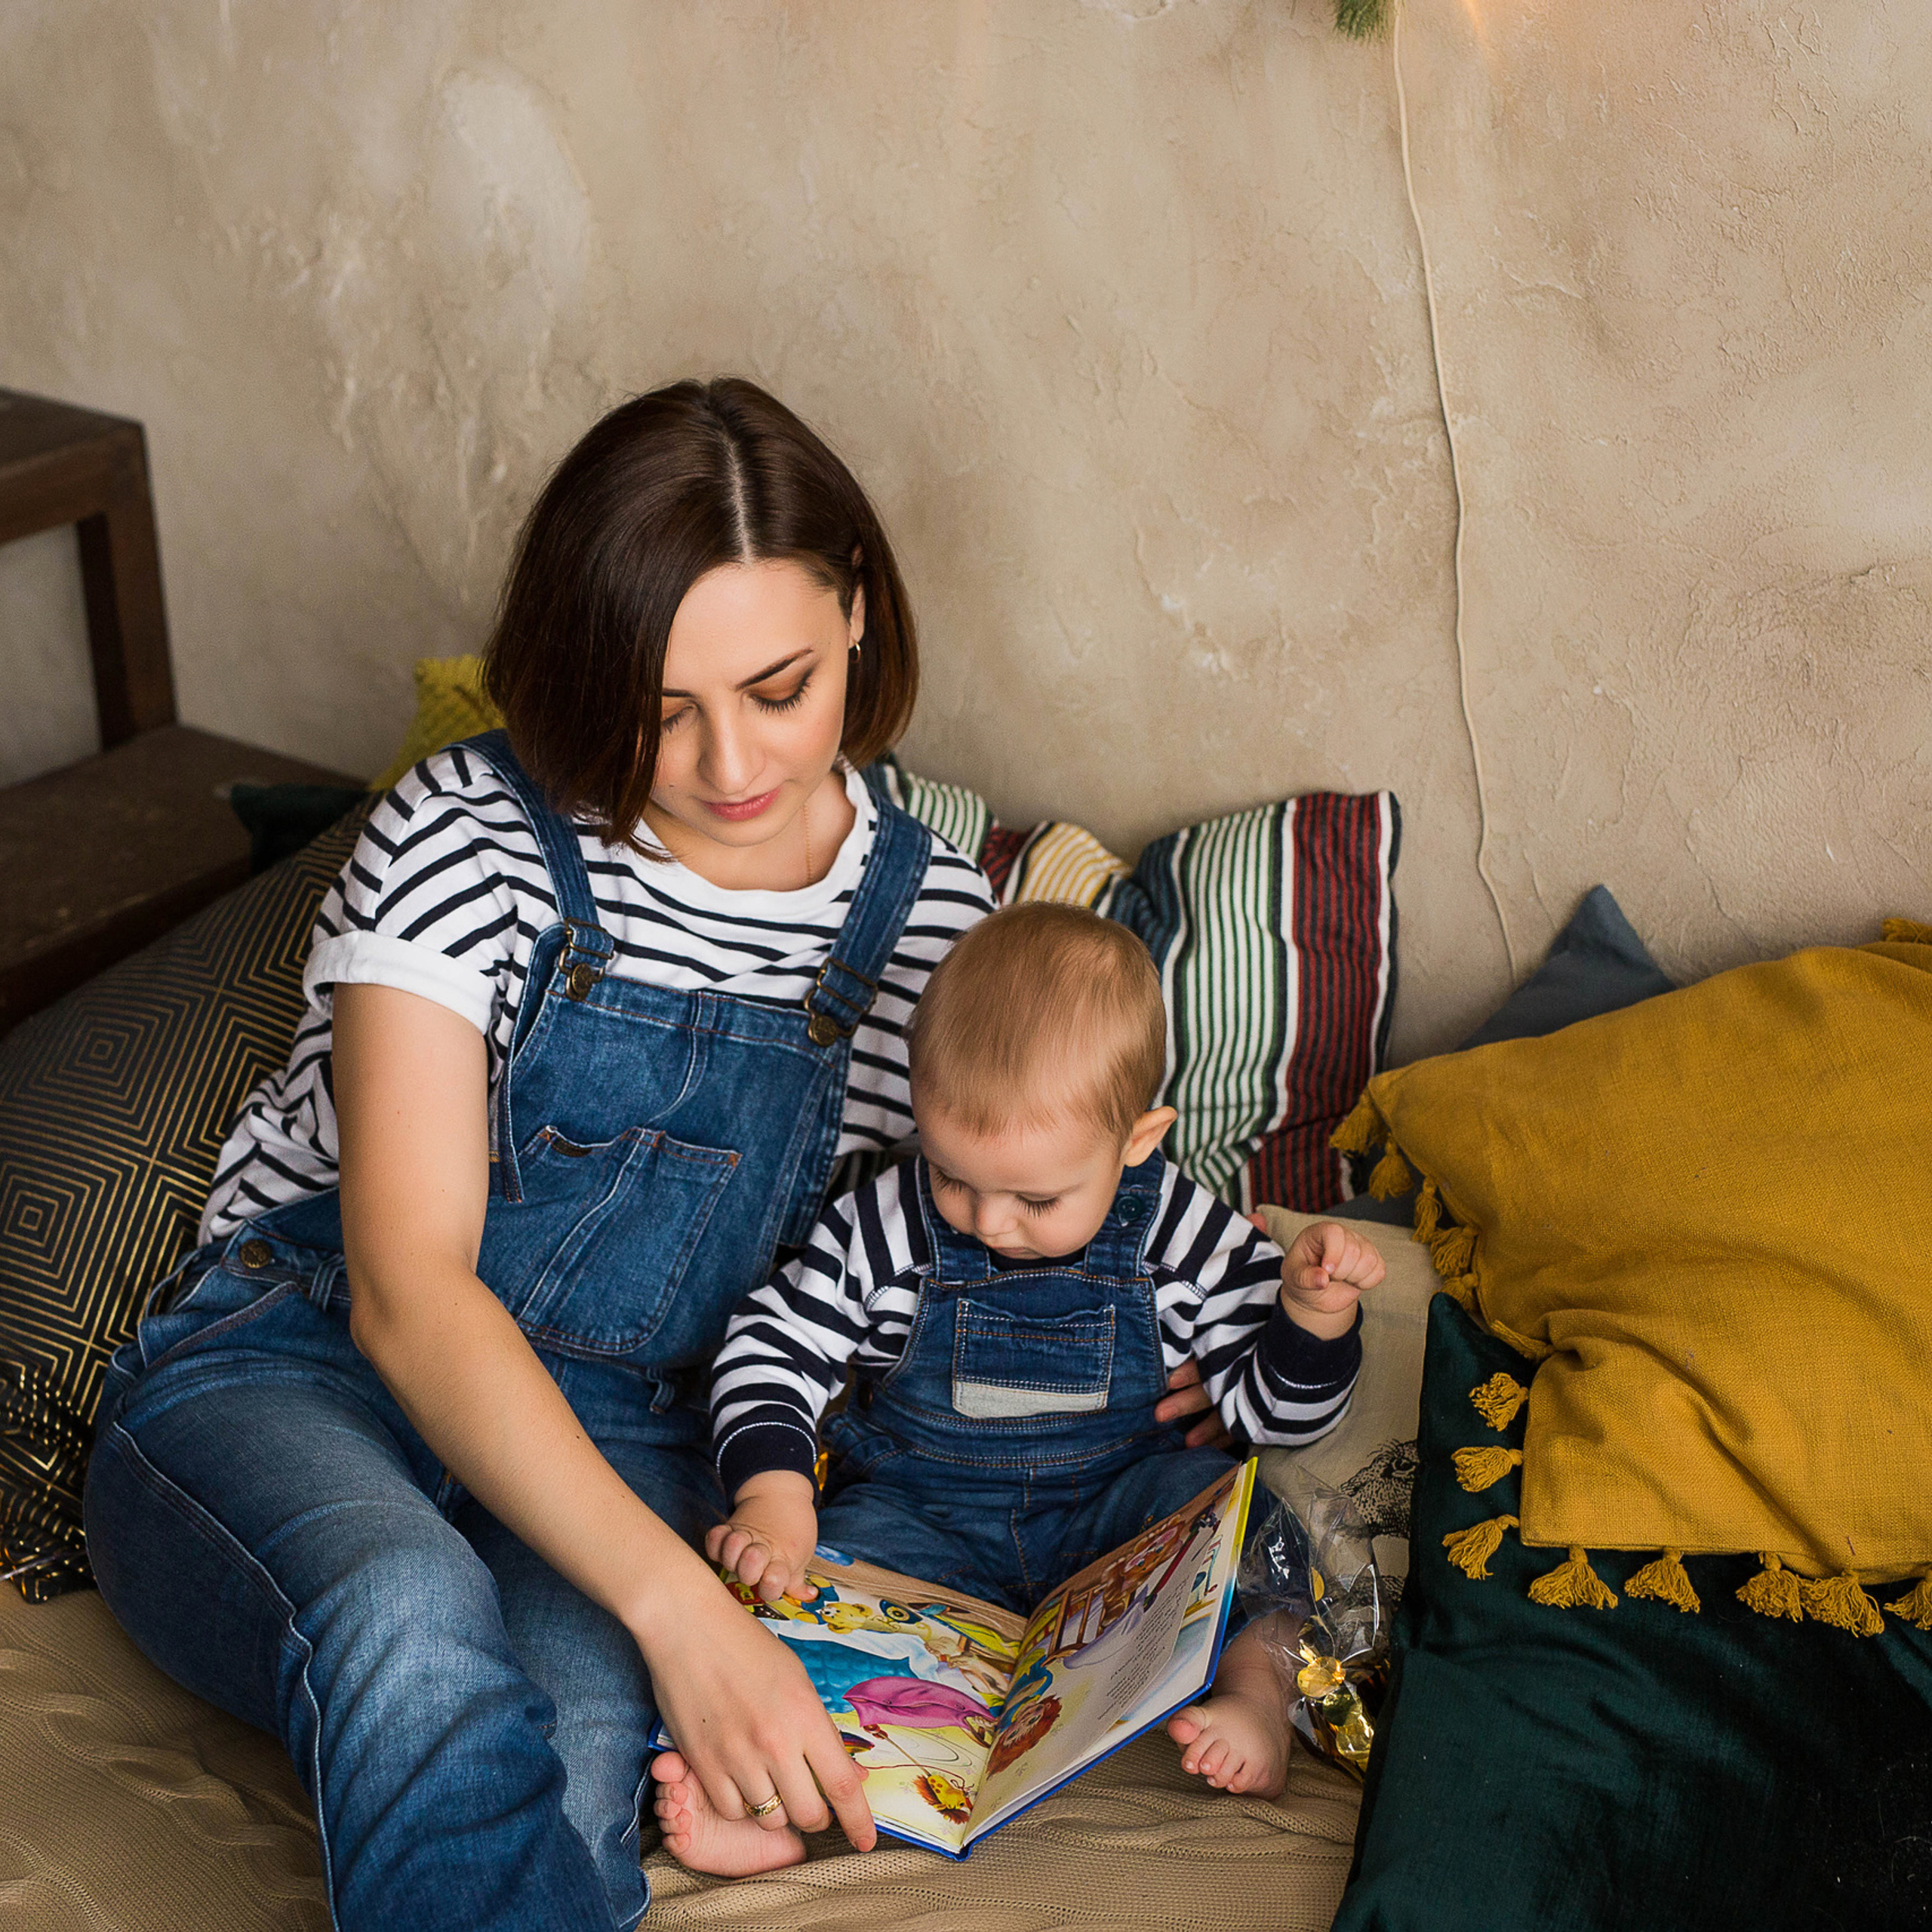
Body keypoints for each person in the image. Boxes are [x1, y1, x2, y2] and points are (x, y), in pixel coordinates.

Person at [81, 380, 1237, 1932]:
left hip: (641, 1437)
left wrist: (1171, 1348)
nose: (723, 762)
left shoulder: (938, 932)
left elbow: (988, 1247)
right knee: (410, 1618)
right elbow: (408, 1288)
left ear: (856, 614)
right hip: (299, 1363)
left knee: (560, 1763)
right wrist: (682, 1613)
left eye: (777, 685)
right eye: (656, 700)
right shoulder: (461, 833)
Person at [653, 901, 1386, 1875]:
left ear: (1136, 1138)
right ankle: (787, 1798)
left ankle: (1258, 1695)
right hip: (924, 1519)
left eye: (1037, 1198)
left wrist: (1312, 1318)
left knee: (1255, 1532)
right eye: (953, 1176)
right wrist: (774, 1492)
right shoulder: (888, 1222)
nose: (988, 1220)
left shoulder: (1182, 1230)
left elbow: (1268, 1417)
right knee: (789, 1588)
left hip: (1118, 1516)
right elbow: (771, 1342)